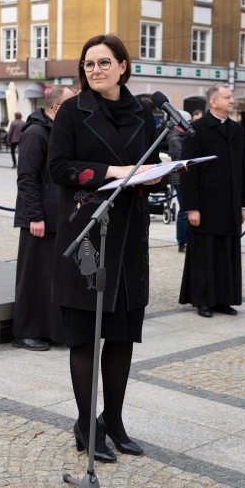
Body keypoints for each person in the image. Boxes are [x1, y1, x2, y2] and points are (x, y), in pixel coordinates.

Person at [48, 34, 161, 462]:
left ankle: (113, 421)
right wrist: (113, 170)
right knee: (84, 337)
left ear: (123, 66)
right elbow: (58, 167)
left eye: (103, 62)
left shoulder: (143, 112)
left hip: (130, 237)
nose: (95, 69)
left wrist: (157, 176)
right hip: (87, 235)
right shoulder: (73, 112)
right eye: (89, 63)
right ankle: (85, 423)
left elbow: (153, 164)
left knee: (121, 337)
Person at [179, 83, 245, 318]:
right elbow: (188, 172)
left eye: (232, 97)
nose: (232, 101)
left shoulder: (237, 129)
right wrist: (191, 208)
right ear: (213, 101)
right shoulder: (196, 130)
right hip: (206, 204)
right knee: (205, 254)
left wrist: (243, 203)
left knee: (226, 253)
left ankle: (223, 299)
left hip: (229, 204)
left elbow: (242, 168)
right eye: (228, 97)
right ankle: (203, 300)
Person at [12, 85, 74, 351]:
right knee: (32, 277)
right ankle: (25, 331)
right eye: (72, 105)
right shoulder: (36, 133)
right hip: (37, 219)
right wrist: (35, 216)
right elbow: (26, 178)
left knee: (51, 277)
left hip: (56, 217)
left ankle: (50, 331)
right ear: (57, 108)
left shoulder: (60, 132)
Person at [167, 110, 192, 252]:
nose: (189, 125)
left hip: (186, 177)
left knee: (187, 208)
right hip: (180, 178)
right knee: (184, 210)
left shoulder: (183, 135)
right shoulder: (175, 136)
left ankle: (188, 239)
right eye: (188, 122)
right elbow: (182, 155)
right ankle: (182, 241)